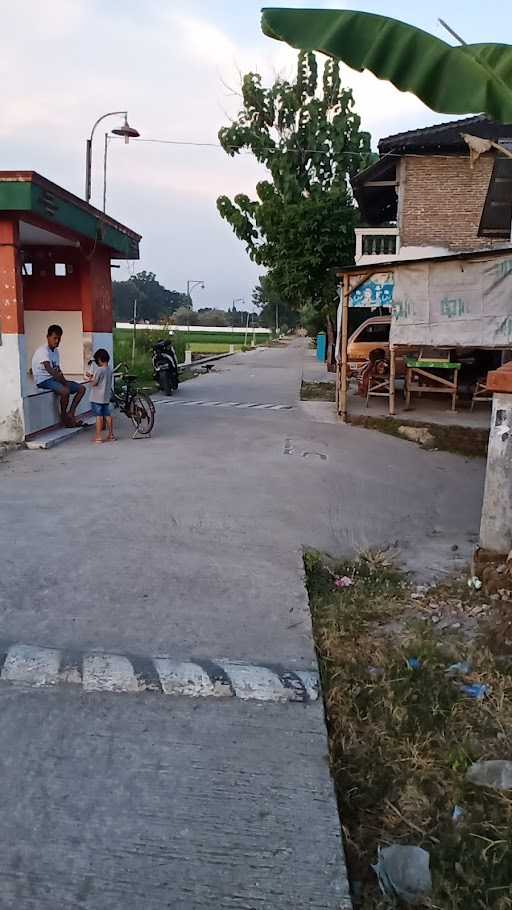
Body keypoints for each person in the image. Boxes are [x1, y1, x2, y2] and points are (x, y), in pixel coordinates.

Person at [32, 324, 85, 427]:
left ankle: (71, 413)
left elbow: (58, 370)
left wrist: (64, 381)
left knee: (81, 388)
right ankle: (64, 416)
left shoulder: (56, 352)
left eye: (59, 338)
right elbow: (50, 370)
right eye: (54, 338)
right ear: (48, 337)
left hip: (54, 379)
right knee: (65, 391)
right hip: (44, 380)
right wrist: (64, 383)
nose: (57, 341)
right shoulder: (42, 351)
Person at [88, 348, 114, 443]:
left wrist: (90, 379)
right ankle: (111, 435)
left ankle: (98, 436)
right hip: (106, 397)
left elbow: (95, 383)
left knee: (98, 416)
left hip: (97, 398)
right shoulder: (109, 369)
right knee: (107, 415)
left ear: (99, 359)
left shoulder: (99, 370)